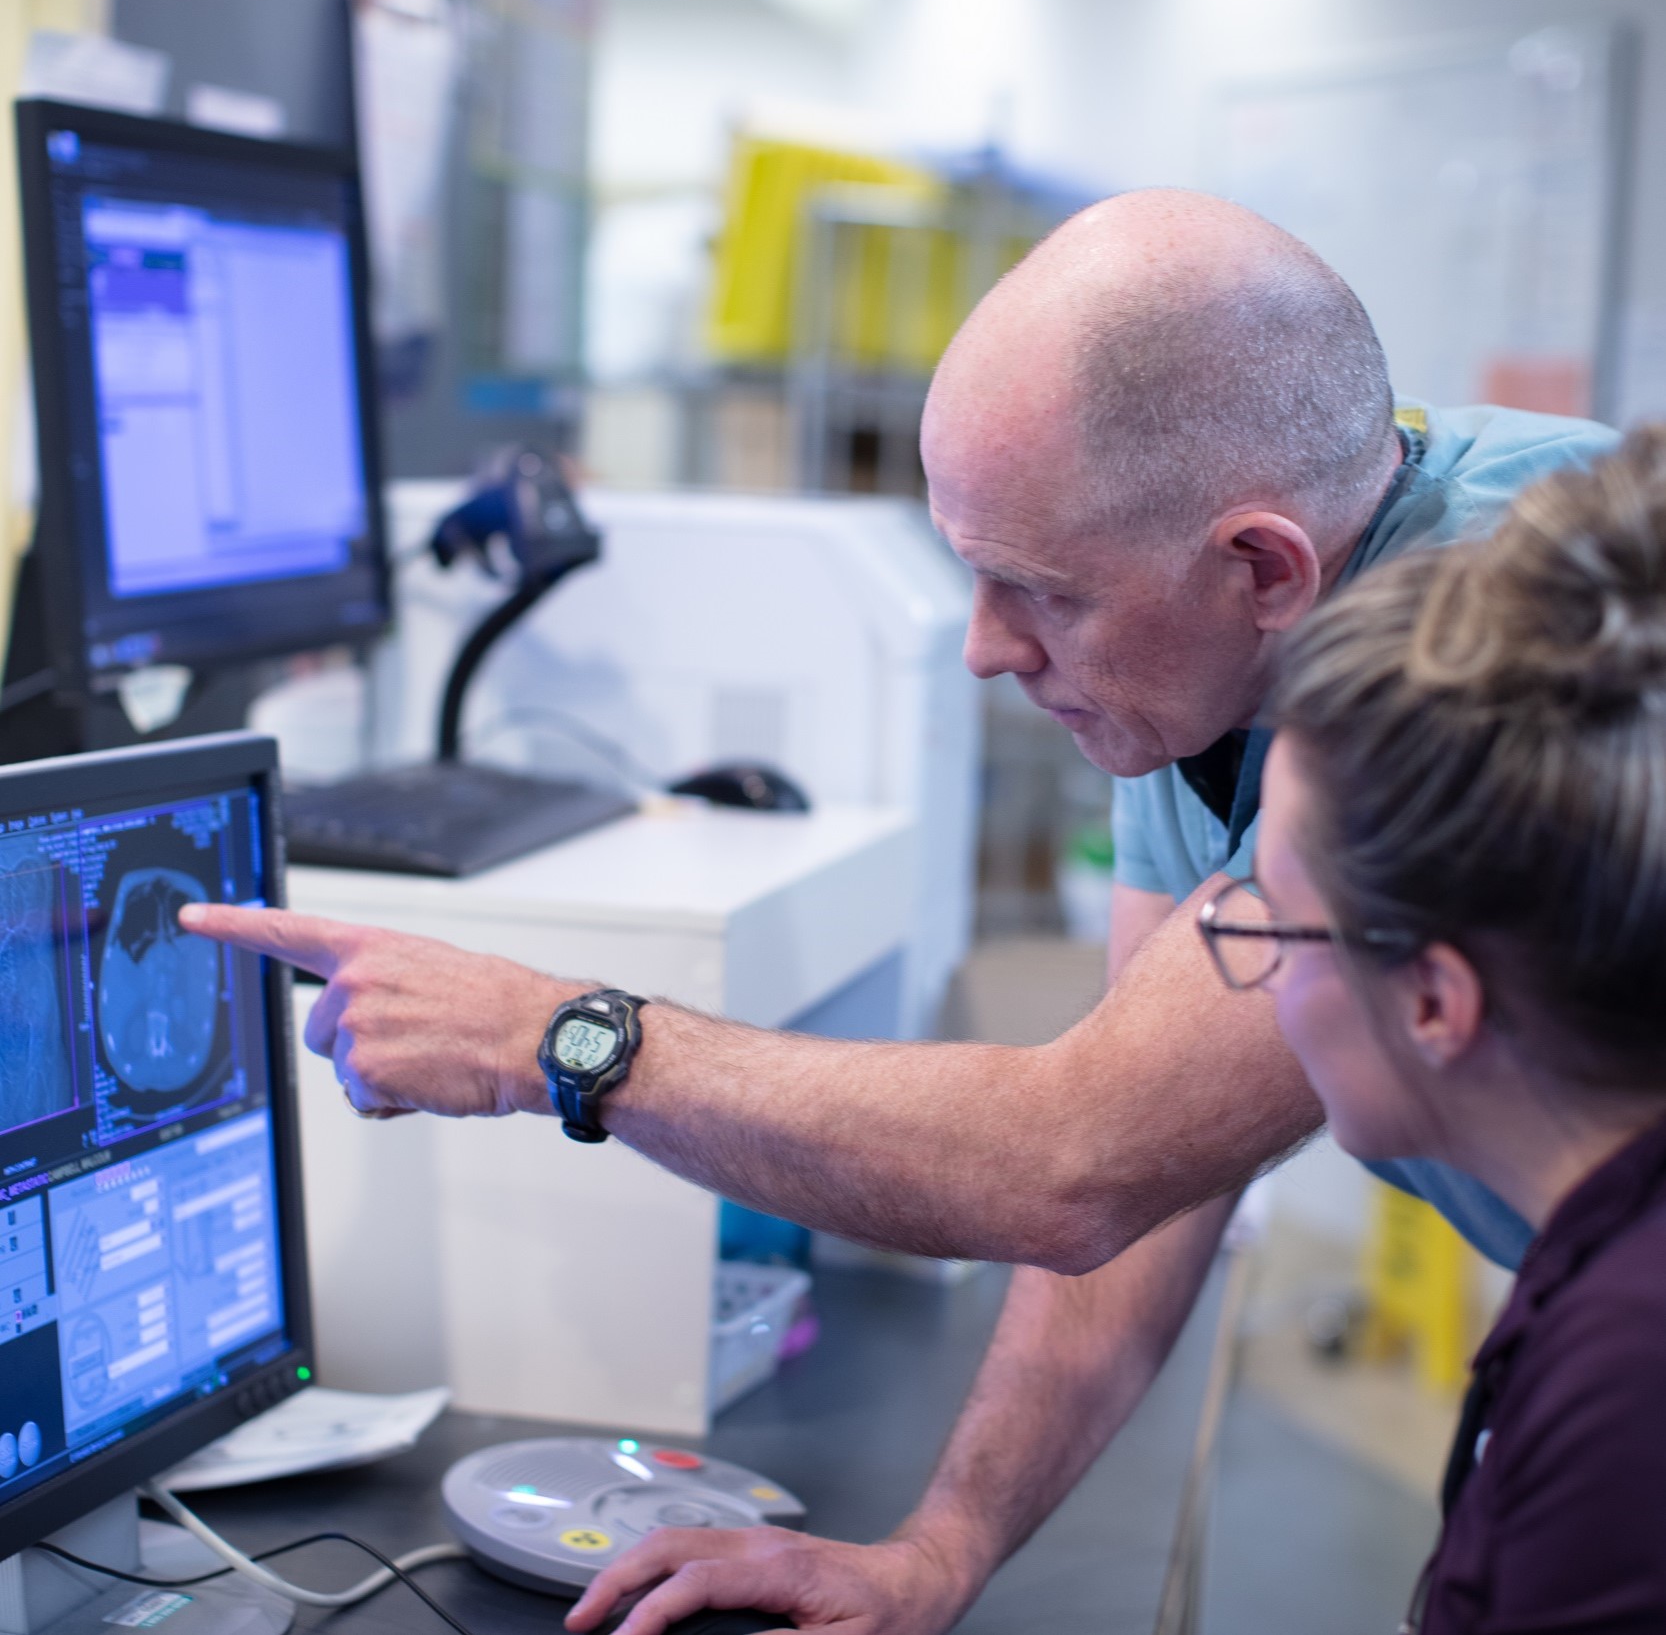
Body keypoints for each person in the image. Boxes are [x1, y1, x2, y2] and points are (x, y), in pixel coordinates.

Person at [178, 189, 1618, 1633]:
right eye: (971, 573)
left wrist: (561, 1038)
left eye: (1034, 590)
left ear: (1259, 568)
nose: (988, 648)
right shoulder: (1197, 662)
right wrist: (941, 1547)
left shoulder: (1485, 663)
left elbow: (1077, 1154)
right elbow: (1146, 1160)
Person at [1203, 430, 1666, 1630]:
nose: (1255, 974)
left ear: (1432, 1003)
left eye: (1275, 921)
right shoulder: (1602, 1261)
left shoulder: (1629, 1393)